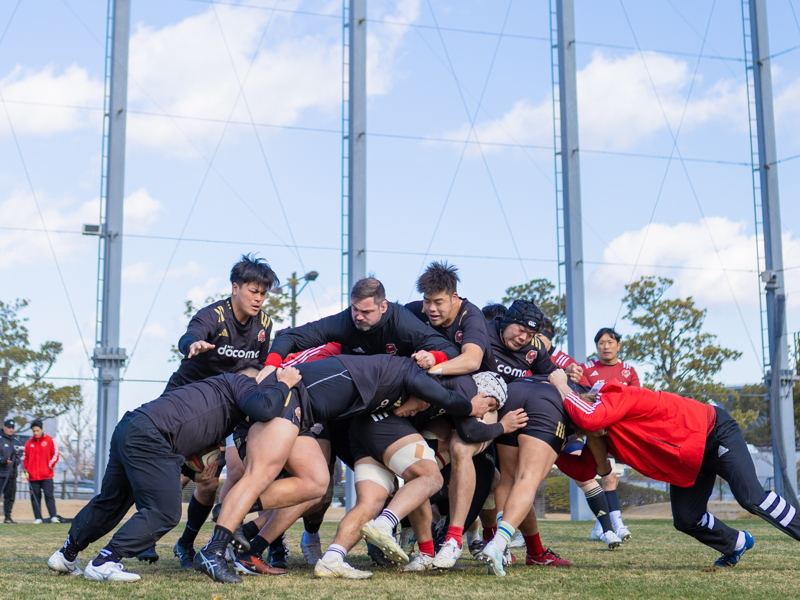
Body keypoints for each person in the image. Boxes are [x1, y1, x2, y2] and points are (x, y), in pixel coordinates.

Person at [198, 353, 491, 583]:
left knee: (315, 485)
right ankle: (213, 549)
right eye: (421, 403)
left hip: (306, 415)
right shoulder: (404, 372)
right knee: (259, 475)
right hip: (287, 396)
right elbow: (446, 396)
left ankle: (241, 521)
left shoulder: (387, 387)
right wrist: (470, 408)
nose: (419, 409)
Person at [46, 364, 299, 582]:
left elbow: (189, 443)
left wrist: (196, 471)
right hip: (152, 437)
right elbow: (265, 408)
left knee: (112, 500)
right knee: (165, 512)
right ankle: (105, 560)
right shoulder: (242, 381)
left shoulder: (215, 395)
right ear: (257, 380)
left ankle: (67, 555)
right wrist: (284, 383)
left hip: (131, 427)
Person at [550, 371, 800, 568]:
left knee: (751, 498)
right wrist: (552, 448)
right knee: (687, 519)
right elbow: (584, 471)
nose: (576, 431)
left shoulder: (613, 394)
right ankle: (736, 543)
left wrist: (562, 386)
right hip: (687, 460)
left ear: (580, 401)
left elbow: (590, 419)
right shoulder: (598, 435)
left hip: (713, 433)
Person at [164, 254, 278, 568]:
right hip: (185, 400)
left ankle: (186, 544)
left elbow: (264, 368)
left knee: (209, 481)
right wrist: (193, 345)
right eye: (253, 291)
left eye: (263, 293)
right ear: (235, 288)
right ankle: (143, 539)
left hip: (225, 408)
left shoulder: (265, 325)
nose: (258, 298)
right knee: (171, 476)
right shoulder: (213, 315)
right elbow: (189, 336)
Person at [264, 277, 460, 372]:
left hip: (389, 380)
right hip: (349, 368)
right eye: (355, 309)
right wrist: (270, 367)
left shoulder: (403, 323)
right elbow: (291, 337)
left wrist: (433, 357)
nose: (358, 317)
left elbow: (450, 349)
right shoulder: (344, 321)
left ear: (383, 306)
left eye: (366, 312)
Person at [580, 327, 638, 541]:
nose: (606, 346)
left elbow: (637, 398)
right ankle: (617, 524)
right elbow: (583, 398)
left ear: (618, 346)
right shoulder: (586, 368)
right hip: (596, 431)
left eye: (610, 342)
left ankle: (601, 527)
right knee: (608, 477)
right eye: (601, 343)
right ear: (596, 346)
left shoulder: (628, 371)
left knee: (611, 479)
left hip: (619, 432)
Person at [23, 418, 60, 524]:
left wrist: (49, 466)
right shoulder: (28, 443)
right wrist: (28, 469)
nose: (36, 433)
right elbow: (24, 458)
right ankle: (38, 517)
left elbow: (56, 454)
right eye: (34, 431)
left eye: (37, 431)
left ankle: (53, 516)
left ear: (42, 429)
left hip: (47, 475)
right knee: (35, 497)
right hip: (33, 476)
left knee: (49, 496)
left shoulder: (50, 440)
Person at [1, 418, 23, 523]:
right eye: (9, 427)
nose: (11, 430)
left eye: (12, 428)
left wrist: (16, 460)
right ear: (3, 427)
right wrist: (4, 460)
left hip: (12, 474)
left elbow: (21, 457)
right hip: (1, 474)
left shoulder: (16, 441)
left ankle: (8, 517)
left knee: (10, 497)